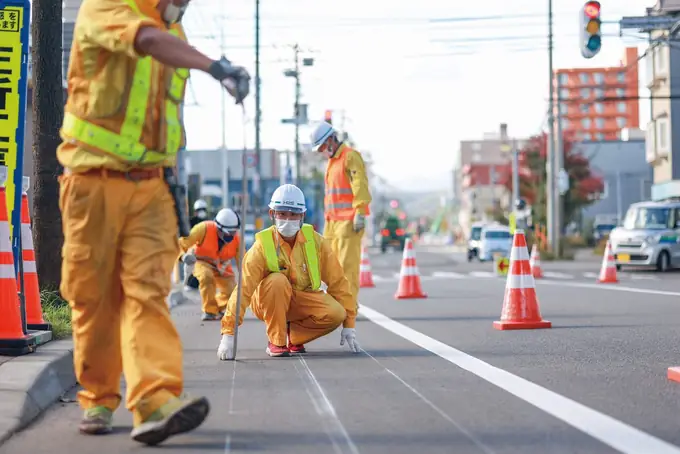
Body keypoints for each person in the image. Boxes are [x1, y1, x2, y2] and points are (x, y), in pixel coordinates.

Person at [57, 0, 250, 445]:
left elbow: (161, 121)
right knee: (96, 299)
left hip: (151, 188)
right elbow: (143, 40)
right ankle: (99, 398)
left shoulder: (173, 33)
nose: (184, 4)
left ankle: (155, 400)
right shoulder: (108, 7)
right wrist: (216, 67)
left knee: (148, 291)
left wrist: (172, 184)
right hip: (93, 180)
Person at [217, 184, 360, 360]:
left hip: (301, 300)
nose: (288, 219)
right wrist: (228, 334)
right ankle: (276, 341)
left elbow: (339, 283)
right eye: (282, 214)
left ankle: (293, 336)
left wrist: (349, 324)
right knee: (277, 280)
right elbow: (244, 289)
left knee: (336, 313)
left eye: (293, 214)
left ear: (302, 216)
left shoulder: (316, 242)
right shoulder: (262, 245)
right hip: (268, 301)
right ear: (272, 214)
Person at [309, 121, 372, 305]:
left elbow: (359, 184)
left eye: (321, 148)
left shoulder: (350, 157)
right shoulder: (332, 163)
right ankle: (337, 304)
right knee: (330, 268)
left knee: (346, 268)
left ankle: (348, 307)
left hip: (348, 222)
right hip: (332, 223)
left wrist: (360, 212)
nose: (321, 152)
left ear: (330, 140)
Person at [180, 208, 241, 321]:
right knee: (206, 276)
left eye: (233, 233)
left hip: (221, 267)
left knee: (234, 292)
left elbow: (243, 262)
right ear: (218, 228)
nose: (231, 236)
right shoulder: (203, 228)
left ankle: (216, 307)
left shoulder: (236, 239)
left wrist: (249, 279)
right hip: (201, 262)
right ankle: (209, 311)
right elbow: (183, 242)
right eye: (228, 233)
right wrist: (183, 256)